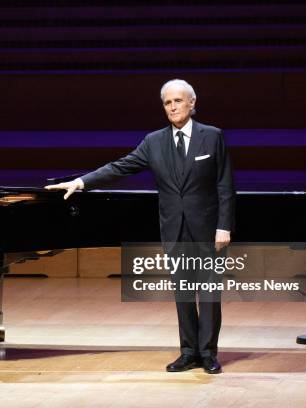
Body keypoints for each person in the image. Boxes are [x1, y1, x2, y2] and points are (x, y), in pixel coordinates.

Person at [45, 79, 235, 374]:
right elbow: (119, 167)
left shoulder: (212, 137)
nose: (172, 107)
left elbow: (225, 185)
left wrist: (224, 226)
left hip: (208, 229)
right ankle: (189, 352)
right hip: (174, 229)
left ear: (192, 103)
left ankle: (208, 353)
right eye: (167, 103)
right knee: (183, 293)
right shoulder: (153, 142)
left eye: (178, 101)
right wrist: (81, 181)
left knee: (208, 293)